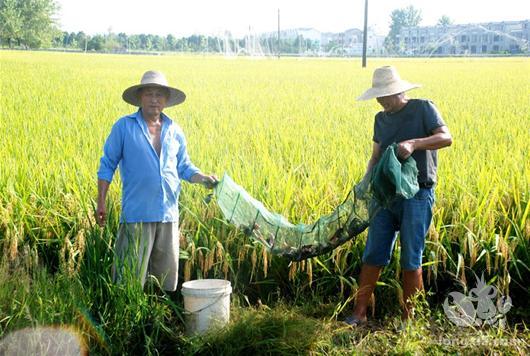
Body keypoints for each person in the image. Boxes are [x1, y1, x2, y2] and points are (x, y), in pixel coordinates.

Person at [345, 66, 453, 325]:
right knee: (373, 253)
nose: (381, 101)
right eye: (378, 97)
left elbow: (446, 137)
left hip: (417, 195)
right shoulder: (380, 119)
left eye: (385, 96)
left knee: (410, 257)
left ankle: (410, 320)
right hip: (385, 196)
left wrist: (414, 143)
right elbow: (376, 155)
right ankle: (359, 313)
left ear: (398, 91)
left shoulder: (423, 108)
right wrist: (365, 182)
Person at [96, 70, 217, 292]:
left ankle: (157, 317)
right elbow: (107, 165)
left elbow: (184, 166)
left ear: (166, 100)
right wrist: (101, 202)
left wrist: (203, 178)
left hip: (167, 213)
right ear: (140, 97)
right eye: (149, 94)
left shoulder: (174, 130)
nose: (154, 99)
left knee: (163, 278)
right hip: (137, 214)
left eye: (159, 95)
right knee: (130, 276)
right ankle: (129, 317)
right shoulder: (124, 127)